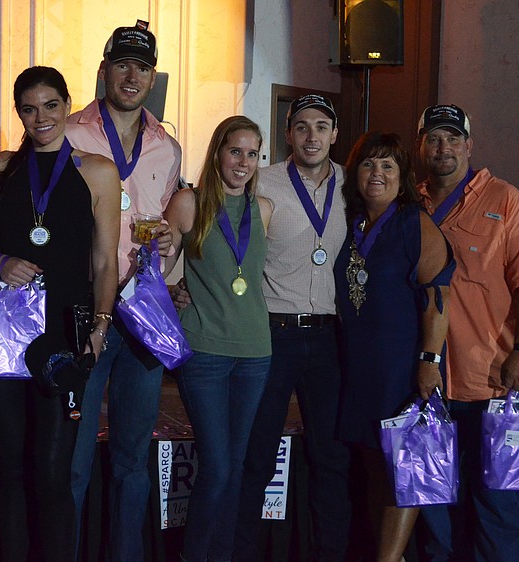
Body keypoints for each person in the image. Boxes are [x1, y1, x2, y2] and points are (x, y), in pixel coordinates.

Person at [0, 65, 120, 561]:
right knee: (11, 467)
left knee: (54, 470)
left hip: (64, 332)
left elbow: (104, 261)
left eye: (51, 105)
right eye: (29, 109)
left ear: (66, 105)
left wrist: (100, 325)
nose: (41, 118)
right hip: (3, 332)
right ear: (18, 113)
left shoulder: (96, 170)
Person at [202, 94, 351, 562]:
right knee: (257, 457)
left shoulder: (350, 184)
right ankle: (240, 553)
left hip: (328, 337)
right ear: (288, 134)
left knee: (330, 459)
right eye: (302, 126)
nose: (312, 136)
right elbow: (213, 231)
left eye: (322, 126)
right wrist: (184, 282)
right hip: (273, 333)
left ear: (334, 134)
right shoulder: (259, 182)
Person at [415, 104, 519, 561]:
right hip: (425, 383)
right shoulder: (407, 202)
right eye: (435, 138)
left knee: (497, 502)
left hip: (492, 381)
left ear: (470, 146)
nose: (445, 148)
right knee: (432, 503)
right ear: (421, 146)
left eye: (454, 139)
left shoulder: (508, 202)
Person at [66, 20, 182, 561]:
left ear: (153, 77)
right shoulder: (68, 134)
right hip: (85, 311)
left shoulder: (168, 147)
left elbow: (171, 228)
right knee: (76, 455)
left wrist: (169, 249)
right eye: (122, 64)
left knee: (134, 457)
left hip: (144, 315)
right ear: (104, 70)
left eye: (143, 66)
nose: (131, 75)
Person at [334, 132, 453, 561]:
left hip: (402, 365)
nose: (377, 173)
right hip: (359, 365)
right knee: (372, 464)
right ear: (355, 173)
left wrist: (429, 361)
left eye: (388, 166)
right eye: (368, 164)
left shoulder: (413, 223)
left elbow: (437, 298)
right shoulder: (352, 223)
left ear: (403, 178)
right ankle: (393, 555)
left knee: (404, 467)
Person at [162, 116, 272, 562]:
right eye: (235, 151)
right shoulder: (190, 202)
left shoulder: (263, 209)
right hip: (205, 349)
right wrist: (173, 290)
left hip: (255, 352)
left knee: (236, 466)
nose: (242, 162)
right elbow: (160, 263)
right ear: (217, 153)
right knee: (218, 466)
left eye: (252, 154)